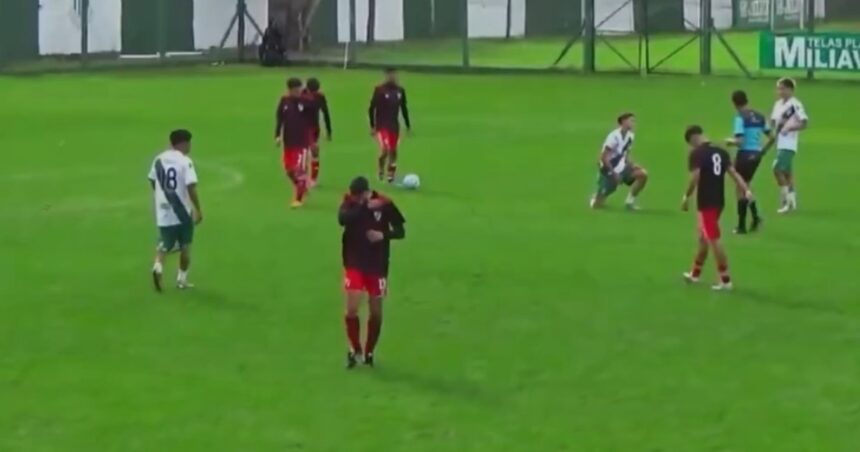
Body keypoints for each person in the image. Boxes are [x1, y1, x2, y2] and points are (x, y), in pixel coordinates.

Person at [338, 176, 406, 368]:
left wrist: (383, 235)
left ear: (367, 192)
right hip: (354, 262)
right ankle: (355, 349)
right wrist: (364, 207)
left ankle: (369, 352)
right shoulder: (350, 203)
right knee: (352, 308)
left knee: (376, 313)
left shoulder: (384, 203)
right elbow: (342, 220)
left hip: (377, 264)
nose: (355, 199)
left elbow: (401, 231)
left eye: (358, 197)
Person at [681, 126, 752, 291]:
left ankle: (726, 280)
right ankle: (695, 273)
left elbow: (695, 177)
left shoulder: (697, 154)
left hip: (706, 201)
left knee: (713, 238)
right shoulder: (721, 152)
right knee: (703, 237)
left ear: (693, 140)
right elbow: (734, 173)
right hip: (719, 200)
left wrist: (686, 196)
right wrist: (745, 189)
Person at [148, 129, 203, 292]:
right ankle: (181, 280)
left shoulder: (158, 159)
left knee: (164, 243)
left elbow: (152, 180)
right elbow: (191, 186)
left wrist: (160, 197)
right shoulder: (185, 162)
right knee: (185, 245)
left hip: (163, 210)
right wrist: (198, 209)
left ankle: (158, 266)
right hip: (182, 212)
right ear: (183, 143)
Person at [725, 90, 771, 234]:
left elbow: (740, 141)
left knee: (740, 188)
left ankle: (741, 226)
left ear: (734, 103)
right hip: (756, 154)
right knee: (746, 186)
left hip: (744, 154)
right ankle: (756, 217)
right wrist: (763, 151)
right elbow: (772, 136)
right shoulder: (759, 116)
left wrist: (729, 142)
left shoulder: (740, 118)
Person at [590, 113, 648, 210]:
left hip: (622, 167)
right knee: (598, 205)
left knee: (642, 175)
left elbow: (625, 154)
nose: (634, 123)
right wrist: (613, 174)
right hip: (608, 169)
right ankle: (596, 198)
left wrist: (632, 164)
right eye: (631, 121)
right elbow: (603, 157)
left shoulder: (630, 136)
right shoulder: (614, 137)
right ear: (624, 122)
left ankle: (629, 202)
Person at [769, 77, 808, 214]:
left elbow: (804, 123)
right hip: (780, 143)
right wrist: (772, 132)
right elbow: (773, 122)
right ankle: (792, 200)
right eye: (779, 88)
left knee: (777, 169)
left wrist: (789, 128)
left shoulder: (795, 104)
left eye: (782, 88)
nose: (780, 91)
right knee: (787, 173)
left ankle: (785, 201)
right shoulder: (778, 104)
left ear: (790, 89)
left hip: (789, 144)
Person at [369, 68, 411, 183]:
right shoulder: (379, 90)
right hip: (382, 126)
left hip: (394, 125)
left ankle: (391, 174)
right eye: (390, 75)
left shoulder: (400, 91)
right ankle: (381, 169)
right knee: (385, 150)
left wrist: (407, 125)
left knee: (393, 150)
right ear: (386, 76)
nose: (392, 77)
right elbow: (372, 108)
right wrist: (372, 126)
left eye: (394, 75)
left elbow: (404, 108)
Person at [275, 77, 310, 208]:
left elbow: (314, 117)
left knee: (299, 170)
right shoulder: (284, 101)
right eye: (296, 90)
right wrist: (277, 135)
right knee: (289, 171)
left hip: (302, 143)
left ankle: (298, 199)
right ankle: (301, 187)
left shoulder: (305, 102)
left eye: (300, 89)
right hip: (288, 142)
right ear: (290, 90)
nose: (298, 92)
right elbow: (279, 119)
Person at [302, 77, 332, 187]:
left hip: (314, 128)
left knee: (314, 153)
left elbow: (325, 113)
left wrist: (329, 130)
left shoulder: (320, 97)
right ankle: (304, 177)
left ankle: (313, 179)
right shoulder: (300, 96)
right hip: (302, 128)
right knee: (305, 152)